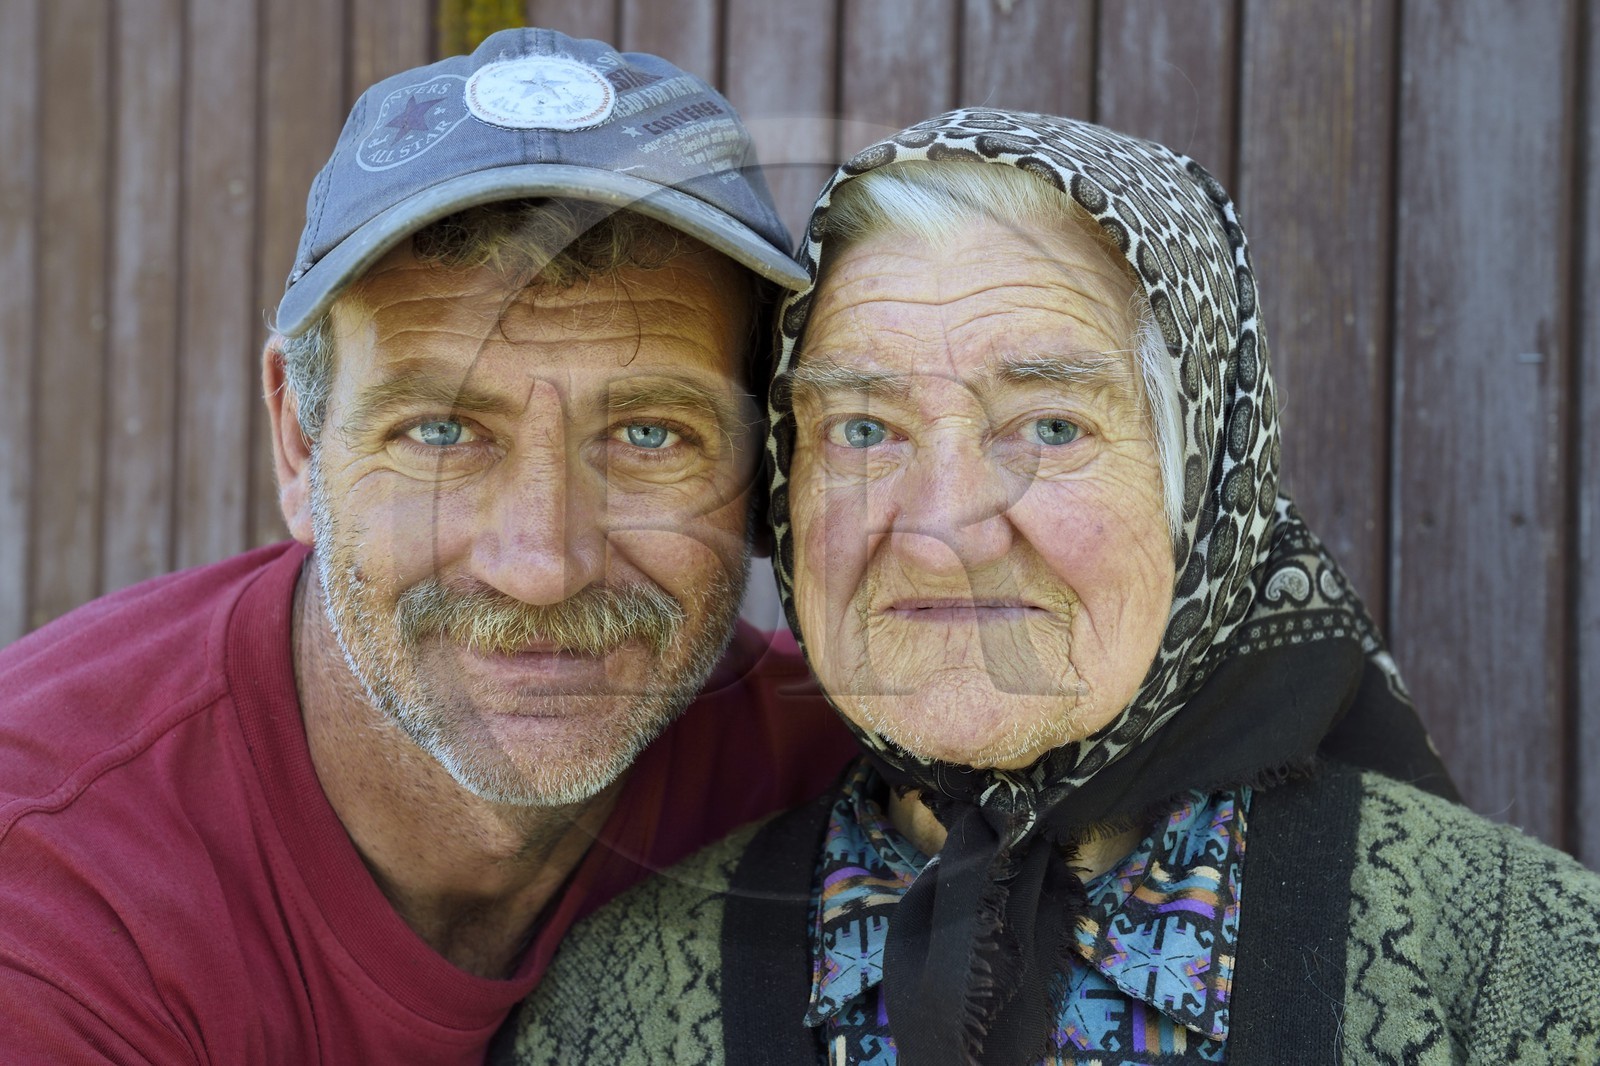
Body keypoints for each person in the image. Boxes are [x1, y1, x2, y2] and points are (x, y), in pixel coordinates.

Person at [503, 110, 1600, 1065]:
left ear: (1204, 485)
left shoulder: (1528, 971)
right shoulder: (614, 1010)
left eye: (1052, 427)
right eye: (865, 429)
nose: (943, 532)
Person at [0, 27, 855, 1064]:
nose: (540, 566)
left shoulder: (838, 778)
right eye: (442, 431)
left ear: (765, 470)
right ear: (300, 441)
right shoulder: (50, 886)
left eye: (648, 435)